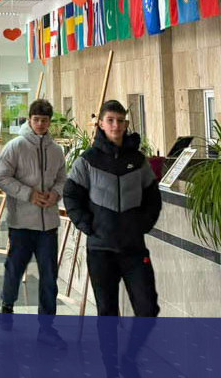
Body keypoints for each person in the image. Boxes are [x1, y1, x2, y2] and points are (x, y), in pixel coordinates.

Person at [64, 100, 161, 375]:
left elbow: (153, 198)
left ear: (126, 124)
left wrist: (142, 225)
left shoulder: (138, 162)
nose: (116, 125)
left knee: (148, 309)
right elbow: (70, 195)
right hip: (101, 250)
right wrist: (87, 225)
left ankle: (129, 358)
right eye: (110, 120)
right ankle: (111, 368)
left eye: (120, 120)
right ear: (101, 124)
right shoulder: (87, 161)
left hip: (133, 250)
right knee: (107, 313)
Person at [0, 98, 68, 350]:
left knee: (49, 277)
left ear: (49, 122)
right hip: (22, 224)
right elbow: (1, 176)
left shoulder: (56, 151)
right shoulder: (15, 147)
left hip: (49, 225)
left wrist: (55, 194)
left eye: (45, 121)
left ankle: (47, 327)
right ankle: (7, 303)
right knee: (14, 269)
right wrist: (28, 194)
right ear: (29, 119)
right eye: (36, 120)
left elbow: (62, 178)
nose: (40, 124)